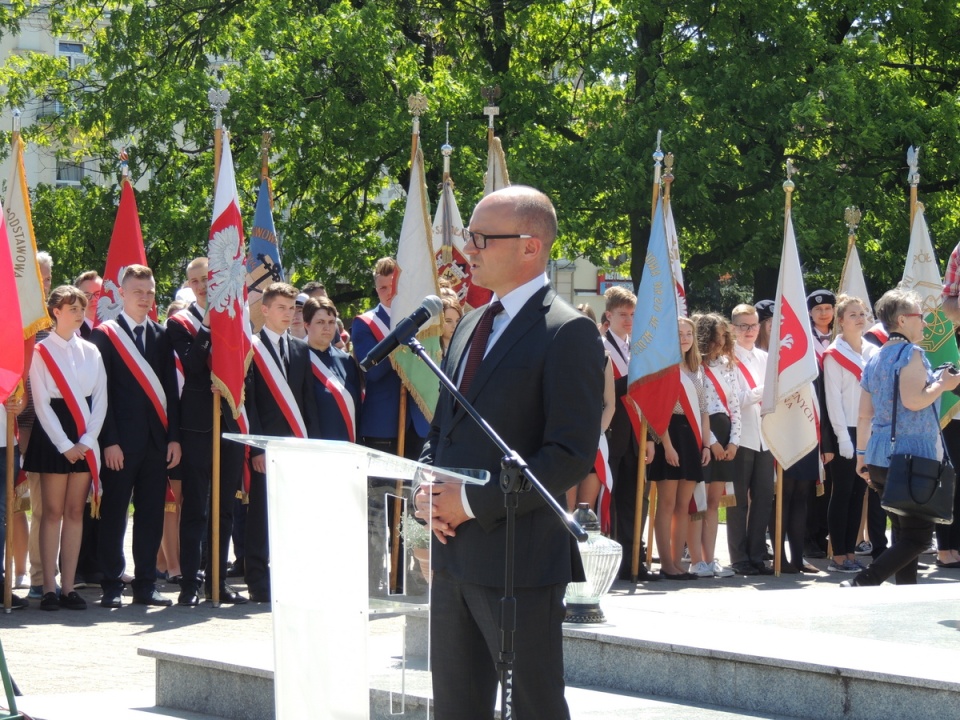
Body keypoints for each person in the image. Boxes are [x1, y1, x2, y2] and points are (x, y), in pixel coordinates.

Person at [415, 186, 604, 720]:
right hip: (454, 554)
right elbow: (443, 429)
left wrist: (471, 502)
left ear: (529, 246)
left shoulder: (568, 331)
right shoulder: (471, 323)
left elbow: (568, 454)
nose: (467, 251)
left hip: (518, 559)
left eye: (480, 238)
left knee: (533, 707)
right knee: (455, 706)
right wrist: (427, 489)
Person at [845, 287, 960, 586]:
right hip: (911, 457)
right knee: (919, 538)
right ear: (902, 320)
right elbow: (914, 400)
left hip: (881, 454)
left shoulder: (875, 358)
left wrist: (861, 456)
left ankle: (905, 592)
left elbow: (864, 414)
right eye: (919, 316)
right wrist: (943, 385)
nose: (924, 322)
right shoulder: (911, 354)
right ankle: (864, 581)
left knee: (902, 531)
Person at [91, 264, 182, 608]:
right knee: (114, 513)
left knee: (150, 514)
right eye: (138, 292)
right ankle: (112, 583)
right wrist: (108, 440)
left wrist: (173, 437)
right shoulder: (104, 335)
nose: (145, 299)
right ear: (122, 294)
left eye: (150, 292)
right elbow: (102, 394)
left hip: (157, 444)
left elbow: (170, 392)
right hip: (119, 445)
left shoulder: (160, 336)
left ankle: (146, 583)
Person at [166, 258, 248, 606]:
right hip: (197, 426)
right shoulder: (179, 323)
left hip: (229, 422)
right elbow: (192, 365)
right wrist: (208, 326)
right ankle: (190, 582)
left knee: (225, 507)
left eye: (206, 280)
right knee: (196, 507)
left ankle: (217, 579)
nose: (201, 286)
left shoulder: (237, 321)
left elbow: (246, 369)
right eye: (195, 281)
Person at [24, 285, 108, 610]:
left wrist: (86, 442)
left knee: (76, 512)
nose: (78, 313)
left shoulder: (92, 350)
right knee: (52, 513)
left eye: (81, 308)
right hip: (53, 435)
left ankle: (69, 587)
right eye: (72, 308)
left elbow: (100, 399)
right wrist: (63, 444)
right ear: (55, 312)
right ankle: (48, 587)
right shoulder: (40, 352)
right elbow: (42, 402)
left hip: (85, 432)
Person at [244, 282, 321, 603]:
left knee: (292, 517)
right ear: (265, 310)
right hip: (266, 448)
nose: (289, 315)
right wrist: (258, 448)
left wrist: (314, 447)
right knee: (261, 518)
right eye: (282, 309)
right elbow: (249, 403)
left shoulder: (302, 350)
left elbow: (307, 403)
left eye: (292, 309)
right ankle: (259, 583)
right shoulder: (252, 347)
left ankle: (290, 578)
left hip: (296, 447)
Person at [602, 286, 657, 581]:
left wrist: (649, 438)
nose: (629, 320)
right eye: (623, 314)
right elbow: (607, 392)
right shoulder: (601, 346)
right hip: (611, 435)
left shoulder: (636, 348)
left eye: (633, 314)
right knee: (610, 499)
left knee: (635, 500)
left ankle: (634, 559)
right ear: (608, 315)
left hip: (636, 436)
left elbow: (645, 400)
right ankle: (611, 563)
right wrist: (636, 378)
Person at [649, 316, 710, 580]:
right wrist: (668, 446)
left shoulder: (697, 368)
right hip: (669, 435)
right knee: (666, 503)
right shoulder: (663, 366)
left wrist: (706, 443)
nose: (684, 338)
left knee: (683, 505)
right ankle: (665, 564)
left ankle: (677, 562)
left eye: (688, 333)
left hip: (692, 437)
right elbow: (658, 409)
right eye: (679, 334)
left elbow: (704, 409)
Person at [351, 257, 430, 459]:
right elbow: (374, 371)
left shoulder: (420, 318)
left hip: (420, 421)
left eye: (392, 286)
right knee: (384, 489)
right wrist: (400, 339)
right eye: (382, 288)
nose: (388, 293)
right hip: (383, 424)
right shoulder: (365, 323)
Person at [823, 295, 877, 574]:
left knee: (860, 493)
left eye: (862, 313)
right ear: (841, 321)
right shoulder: (834, 354)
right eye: (853, 314)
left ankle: (851, 551)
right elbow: (833, 400)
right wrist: (843, 438)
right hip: (846, 430)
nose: (859, 318)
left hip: (869, 430)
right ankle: (839, 555)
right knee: (842, 492)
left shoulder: (872, 351)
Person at [688, 313, 739, 579]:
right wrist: (713, 442)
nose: (721, 341)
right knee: (698, 501)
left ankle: (710, 558)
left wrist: (734, 441)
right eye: (716, 335)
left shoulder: (728, 365)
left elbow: (735, 407)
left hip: (726, 435)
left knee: (714, 503)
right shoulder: (694, 365)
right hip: (703, 438)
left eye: (723, 335)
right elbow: (698, 408)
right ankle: (696, 560)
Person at [728, 303, 774, 575]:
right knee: (738, 500)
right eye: (743, 326)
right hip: (741, 435)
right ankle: (739, 557)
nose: (749, 331)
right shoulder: (727, 359)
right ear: (733, 328)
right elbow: (735, 400)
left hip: (765, 436)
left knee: (764, 496)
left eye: (753, 325)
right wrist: (763, 391)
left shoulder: (765, 358)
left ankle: (757, 554)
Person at [303, 296, 361, 442]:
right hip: (313, 449)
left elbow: (358, 408)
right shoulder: (297, 360)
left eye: (331, 322)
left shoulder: (346, 360)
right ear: (307, 324)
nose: (327, 328)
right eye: (320, 322)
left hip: (347, 446)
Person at [1, 393, 29, 608]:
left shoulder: (6, 358)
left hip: (4, 442)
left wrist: (19, 404)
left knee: (1, 516)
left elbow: (21, 394)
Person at [439, 294, 463, 359]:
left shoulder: (465, 349)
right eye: (448, 321)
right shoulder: (431, 350)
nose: (454, 326)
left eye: (458, 321)